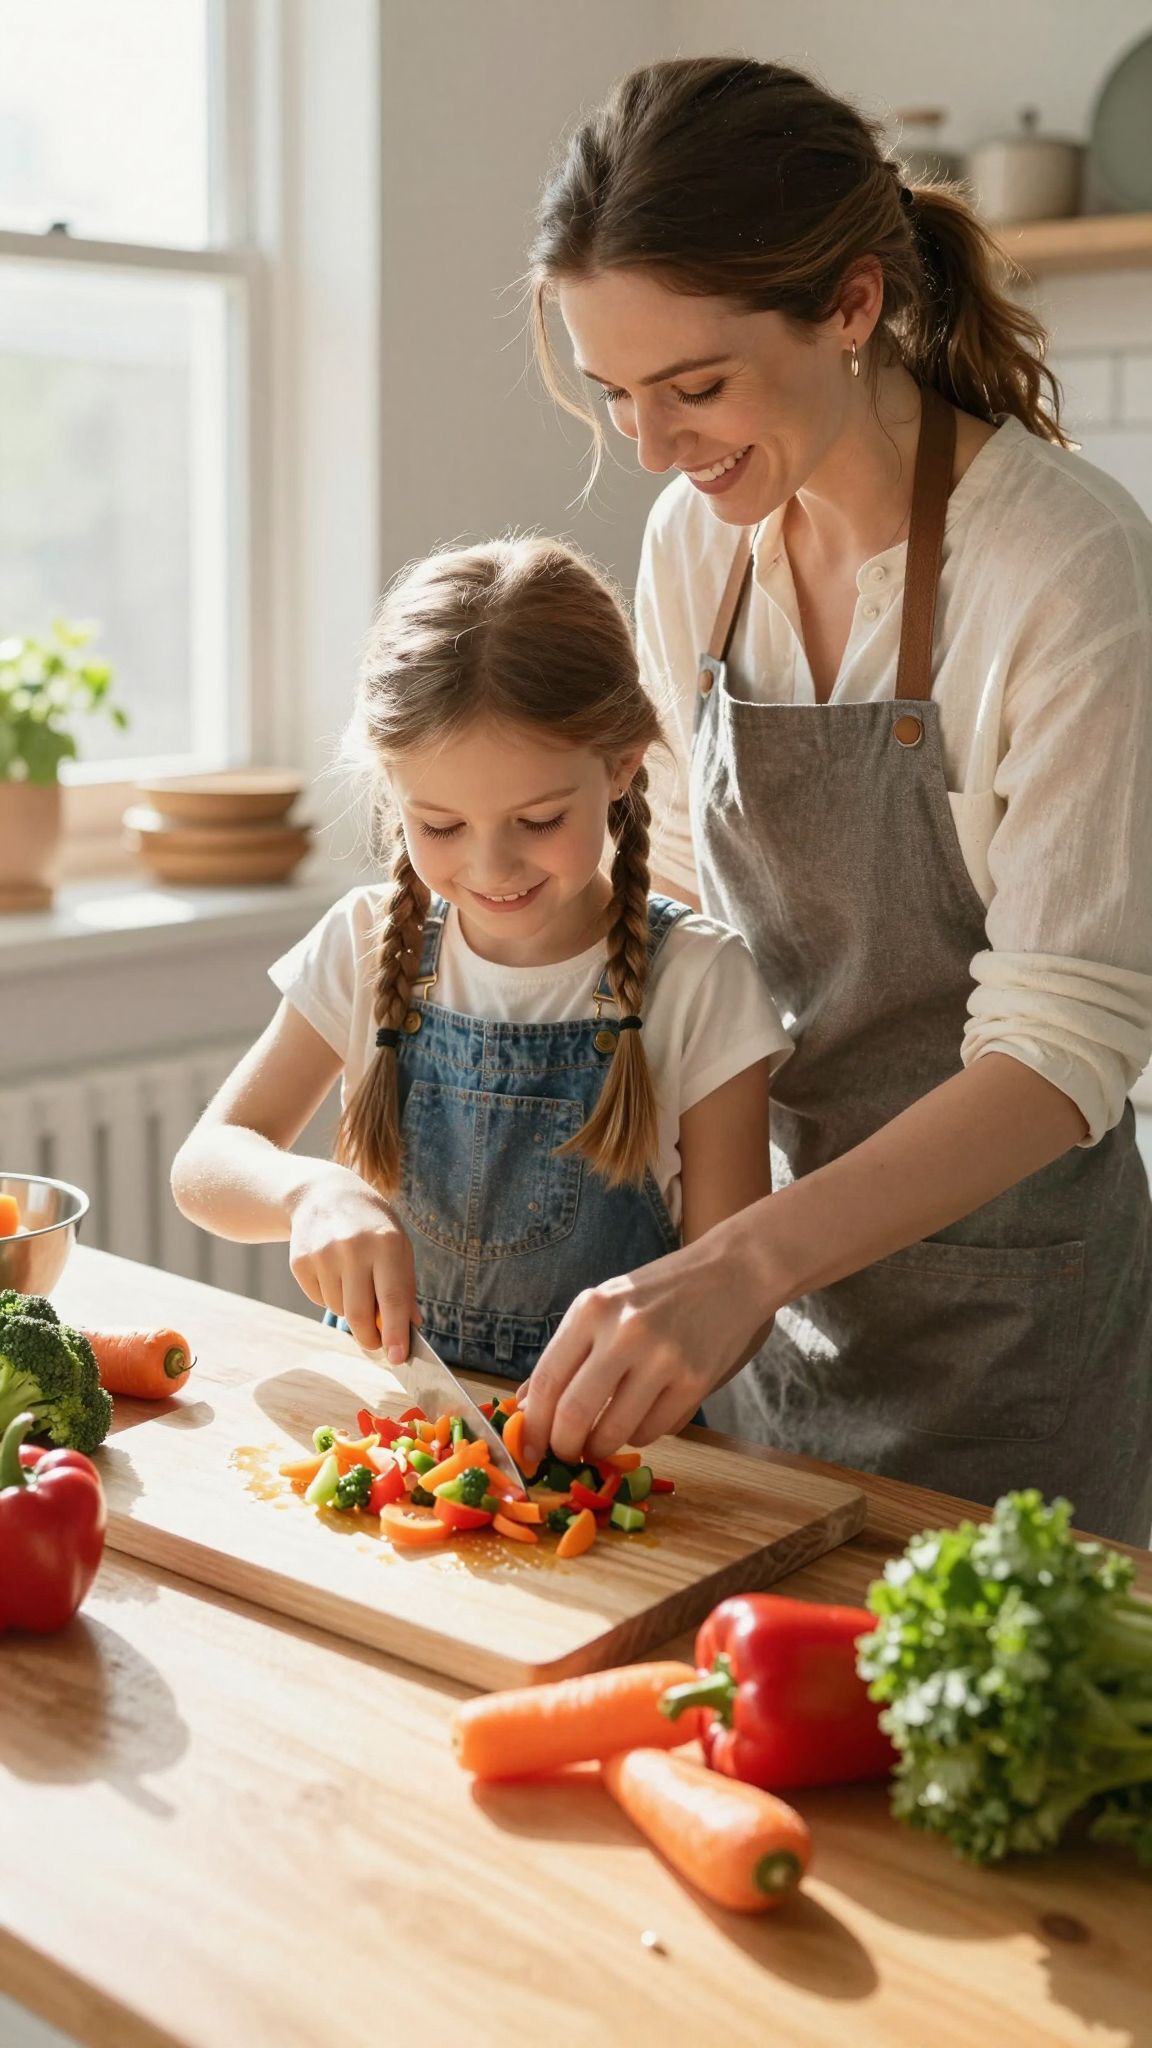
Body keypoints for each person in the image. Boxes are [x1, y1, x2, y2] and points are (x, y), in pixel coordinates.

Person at [517, 55, 1152, 1546]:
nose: (654, 450)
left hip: (1016, 1334)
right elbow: (682, 904)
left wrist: (741, 1264)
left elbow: (1062, 1052)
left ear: (855, 308)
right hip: (762, 1311)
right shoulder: (700, 544)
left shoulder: (1064, 570)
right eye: (616, 394)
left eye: (697, 386)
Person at [171, 536, 788, 1394]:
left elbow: (738, 1293)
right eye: (442, 826)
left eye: (537, 821)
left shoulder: (702, 982)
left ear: (619, 765)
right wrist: (306, 1194)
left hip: (609, 1456)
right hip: (387, 1431)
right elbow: (207, 1163)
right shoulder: (363, 941)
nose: (491, 869)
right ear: (393, 794)